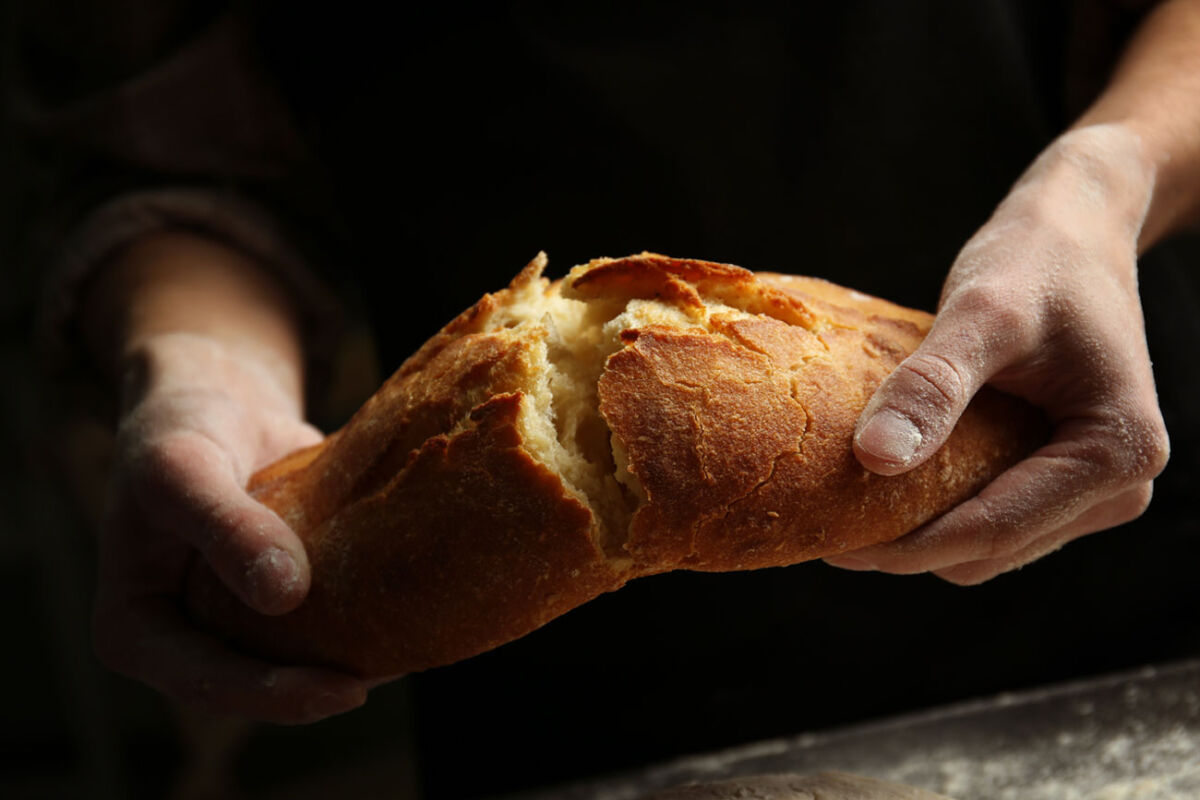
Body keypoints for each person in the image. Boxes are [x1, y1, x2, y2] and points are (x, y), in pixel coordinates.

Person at [11, 0, 1200, 795]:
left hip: (1073, 499)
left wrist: (1115, 173)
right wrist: (195, 357)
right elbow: (157, 137)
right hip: (523, 624)